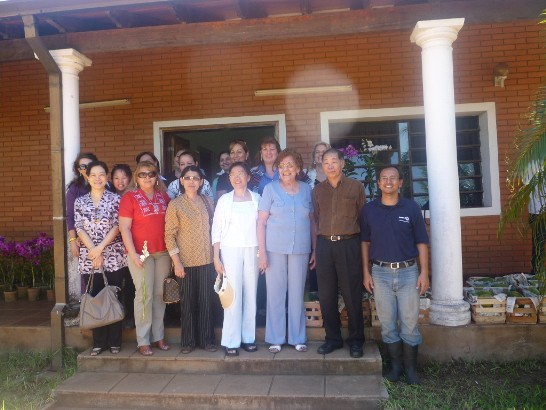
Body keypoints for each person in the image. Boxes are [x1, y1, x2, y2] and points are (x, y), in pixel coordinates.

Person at [361, 166, 429, 385]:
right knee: (388, 324)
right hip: (380, 273)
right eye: (384, 178)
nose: (388, 181)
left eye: (393, 178)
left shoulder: (411, 208)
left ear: (400, 183)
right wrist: (366, 272)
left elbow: (422, 242)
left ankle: (411, 370)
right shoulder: (369, 210)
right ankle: (395, 368)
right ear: (378, 183)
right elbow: (365, 243)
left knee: (410, 323)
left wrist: (424, 272)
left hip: (408, 273)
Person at [257, 149, 316, 353]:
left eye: (290, 165)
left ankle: (297, 337)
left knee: (297, 293)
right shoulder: (270, 189)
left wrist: (315, 249)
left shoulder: (307, 190)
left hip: (300, 248)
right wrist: (262, 253)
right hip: (274, 249)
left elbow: (313, 222)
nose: (285, 169)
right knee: (275, 294)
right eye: (281, 166)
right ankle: (276, 337)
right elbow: (261, 223)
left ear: (298, 168)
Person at [312, 148, 365, 358]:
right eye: (326, 162)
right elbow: (317, 218)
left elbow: (362, 216)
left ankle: (356, 340)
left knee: (352, 295)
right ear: (322, 166)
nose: (330, 165)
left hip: (349, 244)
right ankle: (332, 339)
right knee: (326, 295)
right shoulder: (317, 191)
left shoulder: (355, 187)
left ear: (342, 163)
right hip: (325, 245)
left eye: (334, 161)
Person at [74, 161, 127, 356]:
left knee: (112, 296)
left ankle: (115, 341)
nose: (98, 178)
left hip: (112, 255)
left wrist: (100, 248)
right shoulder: (80, 201)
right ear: (87, 177)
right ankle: (99, 342)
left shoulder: (115, 199)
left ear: (106, 177)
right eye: (93, 175)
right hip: (89, 256)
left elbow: (117, 226)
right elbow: (79, 227)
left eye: (102, 174)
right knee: (95, 297)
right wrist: (93, 250)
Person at [119, 160, 171, 356]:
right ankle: (143, 339)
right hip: (141, 254)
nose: (147, 177)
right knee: (144, 295)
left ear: (156, 176)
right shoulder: (129, 198)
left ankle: (158, 336)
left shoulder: (163, 196)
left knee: (159, 295)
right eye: (142, 174)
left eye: (151, 173)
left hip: (163, 253)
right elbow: (124, 228)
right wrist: (133, 254)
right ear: (136, 177)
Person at [165, 165, 217, 354]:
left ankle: (207, 340)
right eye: (188, 178)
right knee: (187, 303)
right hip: (185, 262)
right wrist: (176, 262)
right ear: (182, 181)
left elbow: (215, 230)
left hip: (206, 259)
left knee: (206, 302)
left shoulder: (208, 202)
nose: (192, 181)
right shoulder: (175, 204)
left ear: (201, 182)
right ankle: (187, 342)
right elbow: (169, 235)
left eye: (196, 178)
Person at [211, 162, 260, 357]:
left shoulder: (257, 198)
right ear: (229, 178)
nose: (237, 177)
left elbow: (262, 227)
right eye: (233, 174)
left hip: (253, 249)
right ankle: (231, 339)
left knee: (251, 293)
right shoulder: (224, 200)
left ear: (248, 177)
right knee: (232, 295)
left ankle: (248, 337)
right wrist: (216, 257)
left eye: (241, 173)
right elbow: (216, 230)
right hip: (230, 250)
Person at [66, 152, 99, 294]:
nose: (86, 169)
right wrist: (73, 240)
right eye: (83, 166)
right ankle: (90, 305)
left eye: (89, 165)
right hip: (83, 240)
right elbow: (70, 217)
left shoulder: (105, 185)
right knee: (89, 280)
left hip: (105, 240)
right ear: (78, 170)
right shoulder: (74, 189)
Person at [110, 163, 135, 328]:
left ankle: (131, 317)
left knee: (131, 283)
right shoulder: (108, 197)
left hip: (131, 245)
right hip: (113, 247)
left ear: (130, 178)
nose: (120, 181)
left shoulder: (134, 196)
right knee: (116, 283)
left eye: (124, 177)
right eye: (116, 178)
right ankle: (116, 317)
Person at [528, 170, 546, 274]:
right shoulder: (530, 164)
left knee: (538, 244)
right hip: (537, 211)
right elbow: (527, 182)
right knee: (538, 244)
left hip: (536, 211)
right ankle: (537, 273)